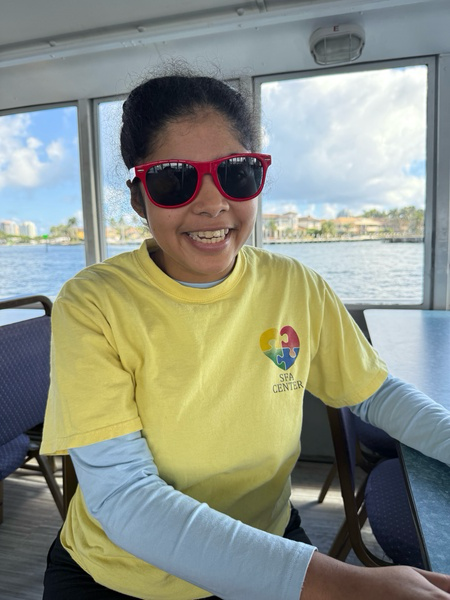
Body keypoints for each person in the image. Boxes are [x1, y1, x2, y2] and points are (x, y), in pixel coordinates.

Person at [41, 69, 450, 600]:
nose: (212, 204)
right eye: (173, 180)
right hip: (122, 575)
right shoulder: (93, 304)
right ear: (140, 199)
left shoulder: (294, 285)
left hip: (265, 542)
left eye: (236, 173)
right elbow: (125, 496)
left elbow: (374, 393)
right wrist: (345, 583)